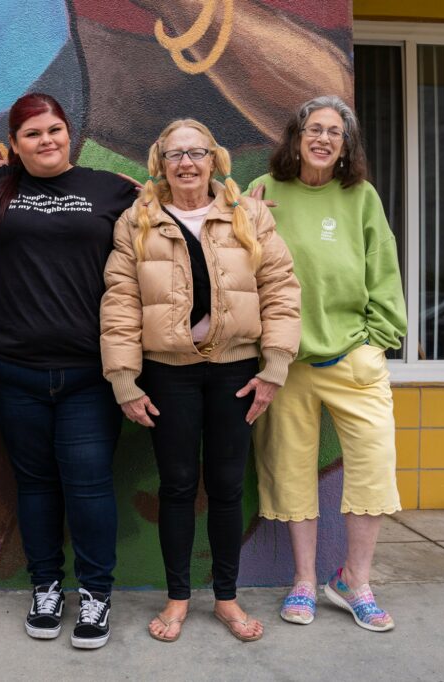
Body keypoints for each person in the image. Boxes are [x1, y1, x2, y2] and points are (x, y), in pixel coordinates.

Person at [100, 119, 300, 643]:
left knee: (229, 487)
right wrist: (124, 379)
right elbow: (120, 302)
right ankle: (178, 598)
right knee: (177, 486)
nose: (186, 163)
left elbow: (280, 288)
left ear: (215, 159)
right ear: (159, 163)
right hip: (169, 375)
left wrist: (274, 367)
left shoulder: (248, 215)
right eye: (174, 154)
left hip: (236, 371)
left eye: (197, 152)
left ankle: (228, 600)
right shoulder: (137, 221)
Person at [0, 93, 138, 650]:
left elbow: (177, 205)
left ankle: (96, 594)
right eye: (33, 134)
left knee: (89, 486)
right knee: (36, 486)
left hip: (89, 373)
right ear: (13, 145)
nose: (47, 140)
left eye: (55, 130)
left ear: (71, 133)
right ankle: (46, 586)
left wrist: (242, 199)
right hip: (14, 370)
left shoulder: (110, 189)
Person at [248, 95, 407, 633]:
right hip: (284, 364)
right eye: (312, 129)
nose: (321, 139)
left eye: (333, 133)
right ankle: (303, 581)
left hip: (353, 358)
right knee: (291, 472)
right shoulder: (263, 192)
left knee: (374, 464)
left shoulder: (360, 197)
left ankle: (354, 581)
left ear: (345, 147)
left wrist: (378, 340)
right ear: (295, 139)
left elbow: (383, 268)